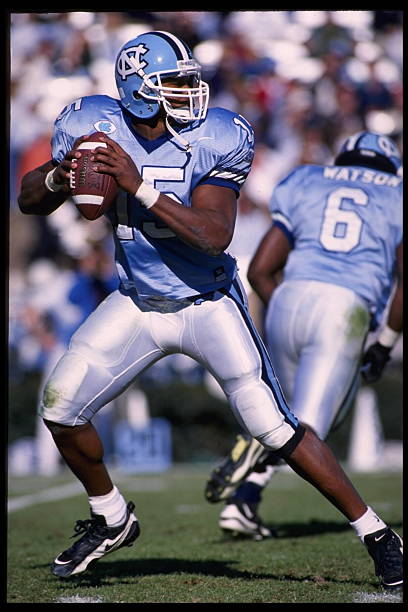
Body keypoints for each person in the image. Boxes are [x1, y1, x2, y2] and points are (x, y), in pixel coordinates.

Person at [17, 31, 402, 592]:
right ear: (139, 91)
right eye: (173, 82)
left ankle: (378, 536)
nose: (189, 92)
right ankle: (111, 518)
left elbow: (215, 234)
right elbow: (29, 198)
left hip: (207, 302)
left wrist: (140, 186)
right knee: (61, 406)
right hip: (138, 301)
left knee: (275, 428)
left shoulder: (214, 136)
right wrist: (63, 173)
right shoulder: (91, 123)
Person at [205, 131, 403, 588]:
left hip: (288, 297)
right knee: (307, 431)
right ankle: (257, 456)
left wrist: (290, 311)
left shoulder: (308, 180)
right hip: (345, 306)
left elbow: (259, 271)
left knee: (289, 419)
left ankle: (244, 502)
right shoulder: (395, 194)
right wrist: (386, 342)